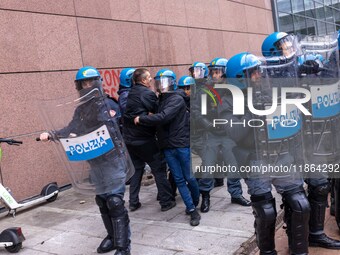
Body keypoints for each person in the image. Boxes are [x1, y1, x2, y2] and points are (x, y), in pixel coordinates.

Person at [39, 66, 131, 255]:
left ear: (97, 83)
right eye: (84, 83)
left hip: (112, 161)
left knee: (115, 201)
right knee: (102, 200)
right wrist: (52, 134)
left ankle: (124, 246)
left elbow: (113, 132)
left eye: (90, 82)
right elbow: (72, 128)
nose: (87, 86)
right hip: (95, 162)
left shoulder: (109, 105)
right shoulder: (81, 109)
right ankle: (112, 238)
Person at [226, 52, 310, 255]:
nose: (259, 75)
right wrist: (253, 109)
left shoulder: (268, 90)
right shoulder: (228, 101)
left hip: (281, 155)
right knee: (266, 212)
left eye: (259, 71)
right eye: (253, 72)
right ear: (240, 78)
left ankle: (299, 250)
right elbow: (234, 132)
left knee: (301, 204)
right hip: (256, 160)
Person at [134, 69, 201, 226]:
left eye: (163, 82)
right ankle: (191, 209)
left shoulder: (176, 99)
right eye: (158, 82)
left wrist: (142, 119)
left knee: (189, 177)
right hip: (168, 146)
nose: (160, 86)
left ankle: (196, 201)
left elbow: (164, 117)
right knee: (178, 179)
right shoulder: (160, 100)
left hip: (181, 144)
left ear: (171, 83)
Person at [192, 57, 251, 213]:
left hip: (228, 134)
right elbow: (196, 112)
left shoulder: (234, 90)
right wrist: (208, 124)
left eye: (216, 72)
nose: (213, 75)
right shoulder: (205, 90)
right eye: (212, 72)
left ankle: (236, 194)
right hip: (211, 133)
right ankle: (205, 196)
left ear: (225, 73)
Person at [122, 68, 176, 212]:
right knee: (158, 169)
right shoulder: (147, 93)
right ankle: (166, 201)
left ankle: (133, 202)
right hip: (144, 139)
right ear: (144, 80)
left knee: (136, 170)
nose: (152, 80)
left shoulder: (131, 92)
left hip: (129, 139)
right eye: (149, 77)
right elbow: (159, 112)